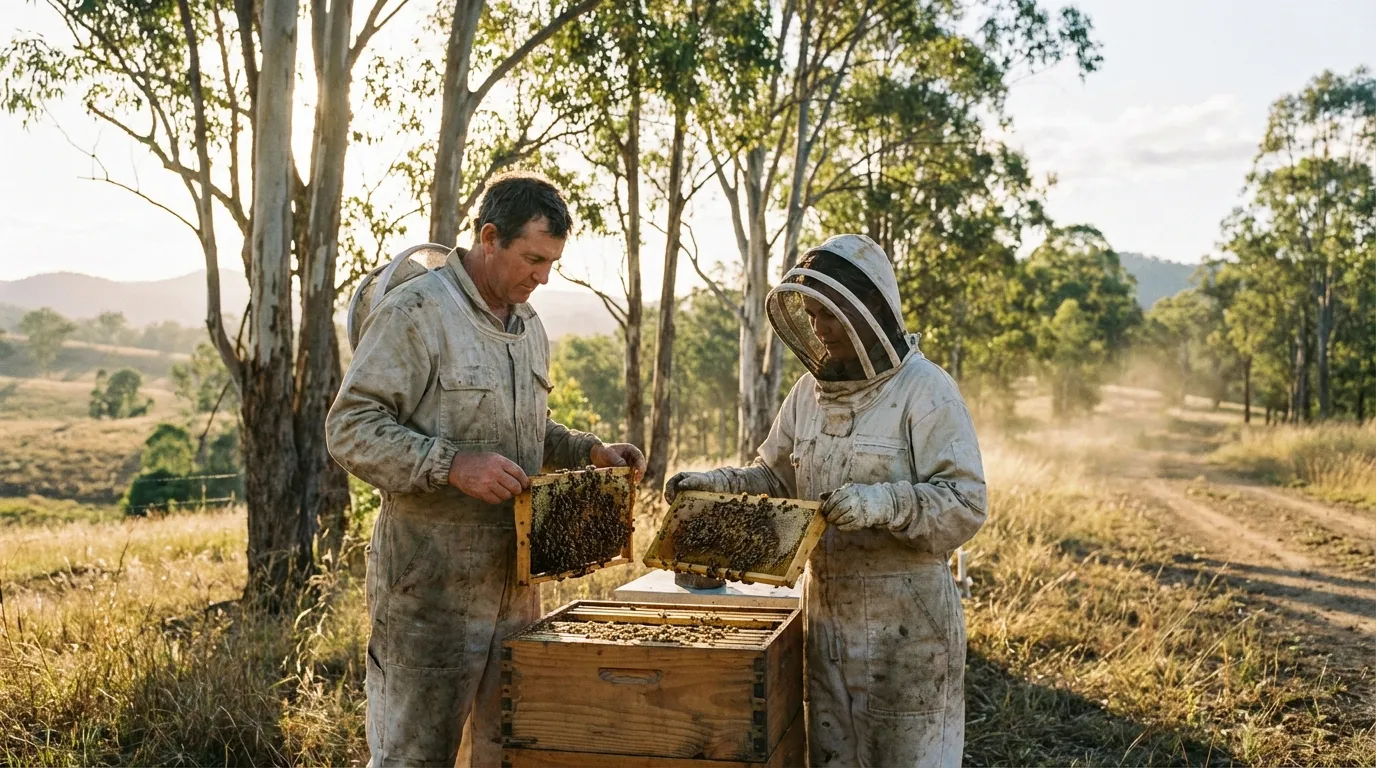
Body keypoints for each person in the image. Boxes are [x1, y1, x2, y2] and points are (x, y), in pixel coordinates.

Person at [326, 172, 645, 767]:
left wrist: (588, 452)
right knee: (414, 756)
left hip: (517, 589)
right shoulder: (417, 312)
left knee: (510, 752)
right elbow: (350, 428)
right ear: (489, 237)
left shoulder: (530, 328)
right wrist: (452, 466)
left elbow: (524, 433)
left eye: (551, 263)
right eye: (532, 259)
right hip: (430, 590)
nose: (542, 277)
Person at [665, 234, 986, 767]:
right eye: (812, 314)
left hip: (906, 627)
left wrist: (886, 504)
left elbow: (966, 501)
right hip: (825, 620)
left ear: (869, 312)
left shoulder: (924, 390)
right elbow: (774, 475)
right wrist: (717, 484)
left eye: (829, 314)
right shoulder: (806, 395)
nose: (819, 327)